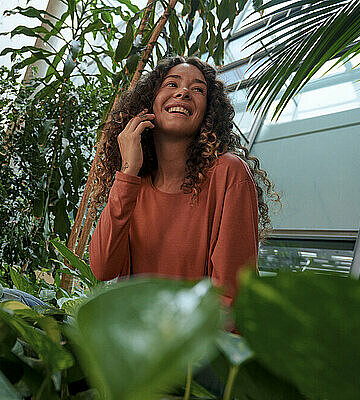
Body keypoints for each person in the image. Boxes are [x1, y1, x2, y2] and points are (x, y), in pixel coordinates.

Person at [89, 56, 279, 307]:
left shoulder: (229, 173)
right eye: (171, 84)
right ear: (149, 104)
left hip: (195, 342)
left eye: (198, 89)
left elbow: (233, 296)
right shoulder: (135, 182)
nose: (184, 93)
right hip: (134, 341)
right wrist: (128, 171)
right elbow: (103, 268)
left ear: (208, 113)